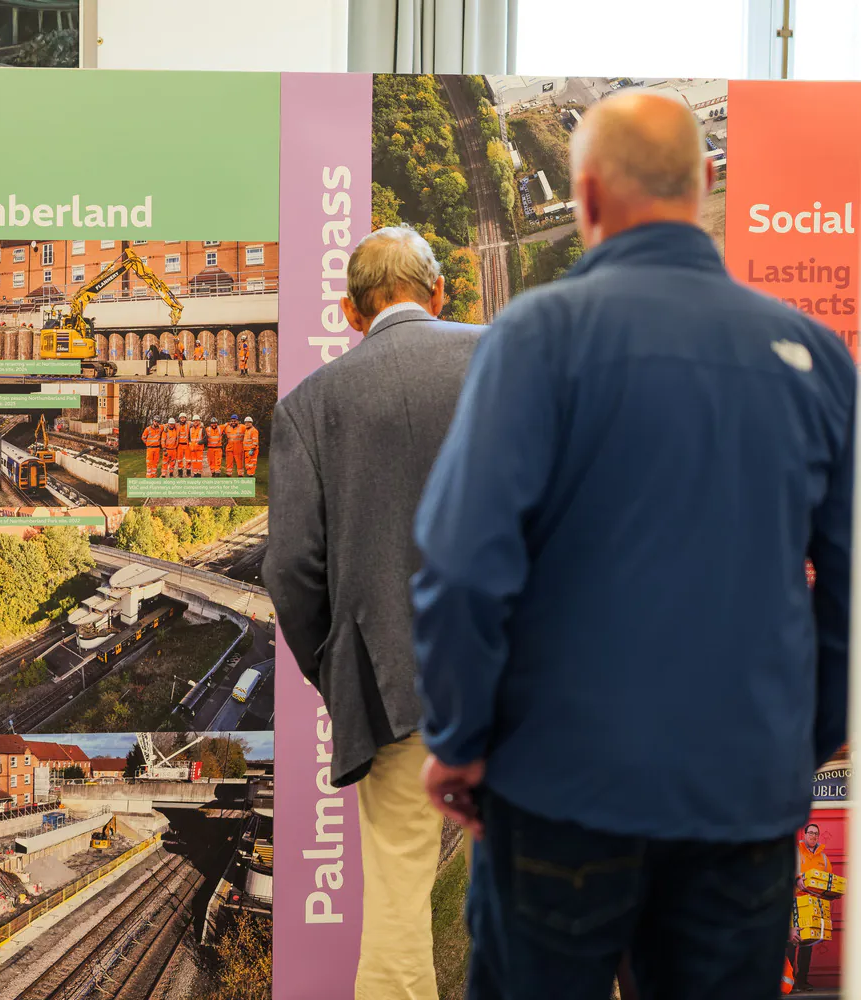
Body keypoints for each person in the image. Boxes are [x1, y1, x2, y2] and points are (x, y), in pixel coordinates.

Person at [411, 89, 853, 1000]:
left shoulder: (535, 339)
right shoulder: (816, 358)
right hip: (742, 796)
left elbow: (462, 563)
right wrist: (802, 740)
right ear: (702, 189)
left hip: (560, 792)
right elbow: (848, 591)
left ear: (589, 197)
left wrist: (460, 736)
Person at [265, 225, 477, 1000]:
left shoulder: (310, 409)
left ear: (350, 313)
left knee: (396, 905)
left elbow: (291, 568)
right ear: (440, 293)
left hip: (395, 689)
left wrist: (340, 665)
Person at [789, 823, 831, 991]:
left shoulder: (824, 858)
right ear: (804, 835)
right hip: (795, 903)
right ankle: (789, 982)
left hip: (813, 904)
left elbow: (828, 880)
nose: (813, 836)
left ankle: (802, 981)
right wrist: (796, 879)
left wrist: (829, 893)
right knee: (792, 943)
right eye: (810, 833)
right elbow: (786, 873)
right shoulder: (796, 853)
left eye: (816, 834)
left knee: (808, 945)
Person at [174, 413, 191, 478]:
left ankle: (188, 472)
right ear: (179, 419)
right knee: (179, 459)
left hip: (187, 445)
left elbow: (197, 422)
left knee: (188, 459)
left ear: (186, 418)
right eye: (181, 418)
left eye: (184, 418)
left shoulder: (189, 424)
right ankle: (180, 473)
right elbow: (169, 424)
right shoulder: (177, 425)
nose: (182, 419)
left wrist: (201, 424)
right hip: (179, 445)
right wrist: (165, 427)